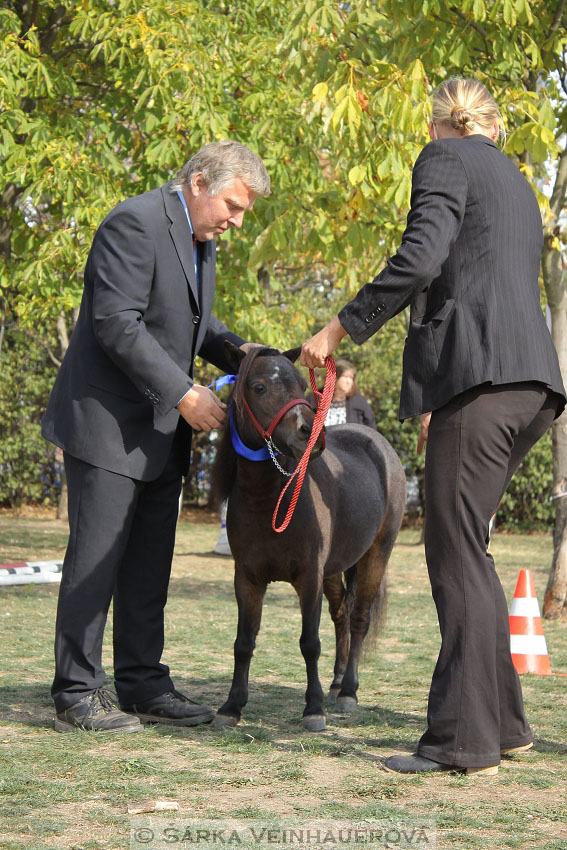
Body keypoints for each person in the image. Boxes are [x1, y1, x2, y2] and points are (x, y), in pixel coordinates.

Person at [300, 79, 565, 776]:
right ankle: (501, 725)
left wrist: (336, 328)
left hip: (480, 380)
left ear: (433, 123)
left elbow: (421, 257)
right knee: (468, 553)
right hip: (528, 383)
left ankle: (458, 741)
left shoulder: (441, 160)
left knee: (453, 558)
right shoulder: (513, 177)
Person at [42, 140, 270, 733]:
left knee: (148, 565)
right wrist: (185, 393)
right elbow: (116, 322)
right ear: (198, 182)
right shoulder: (133, 221)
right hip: (108, 425)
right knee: (96, 561)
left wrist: (243, 354)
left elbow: (193, 323)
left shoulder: (199, 240)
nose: (236, 221)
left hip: (160, 434)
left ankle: (142, 683)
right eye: (233, 206)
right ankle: (75, 692)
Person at [309, 358, 376, 428]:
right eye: (346, 377)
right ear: (335, 377)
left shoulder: (359, 402)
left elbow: (371, 429)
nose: (349, 381)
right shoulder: (315, 398)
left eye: (351, 378)